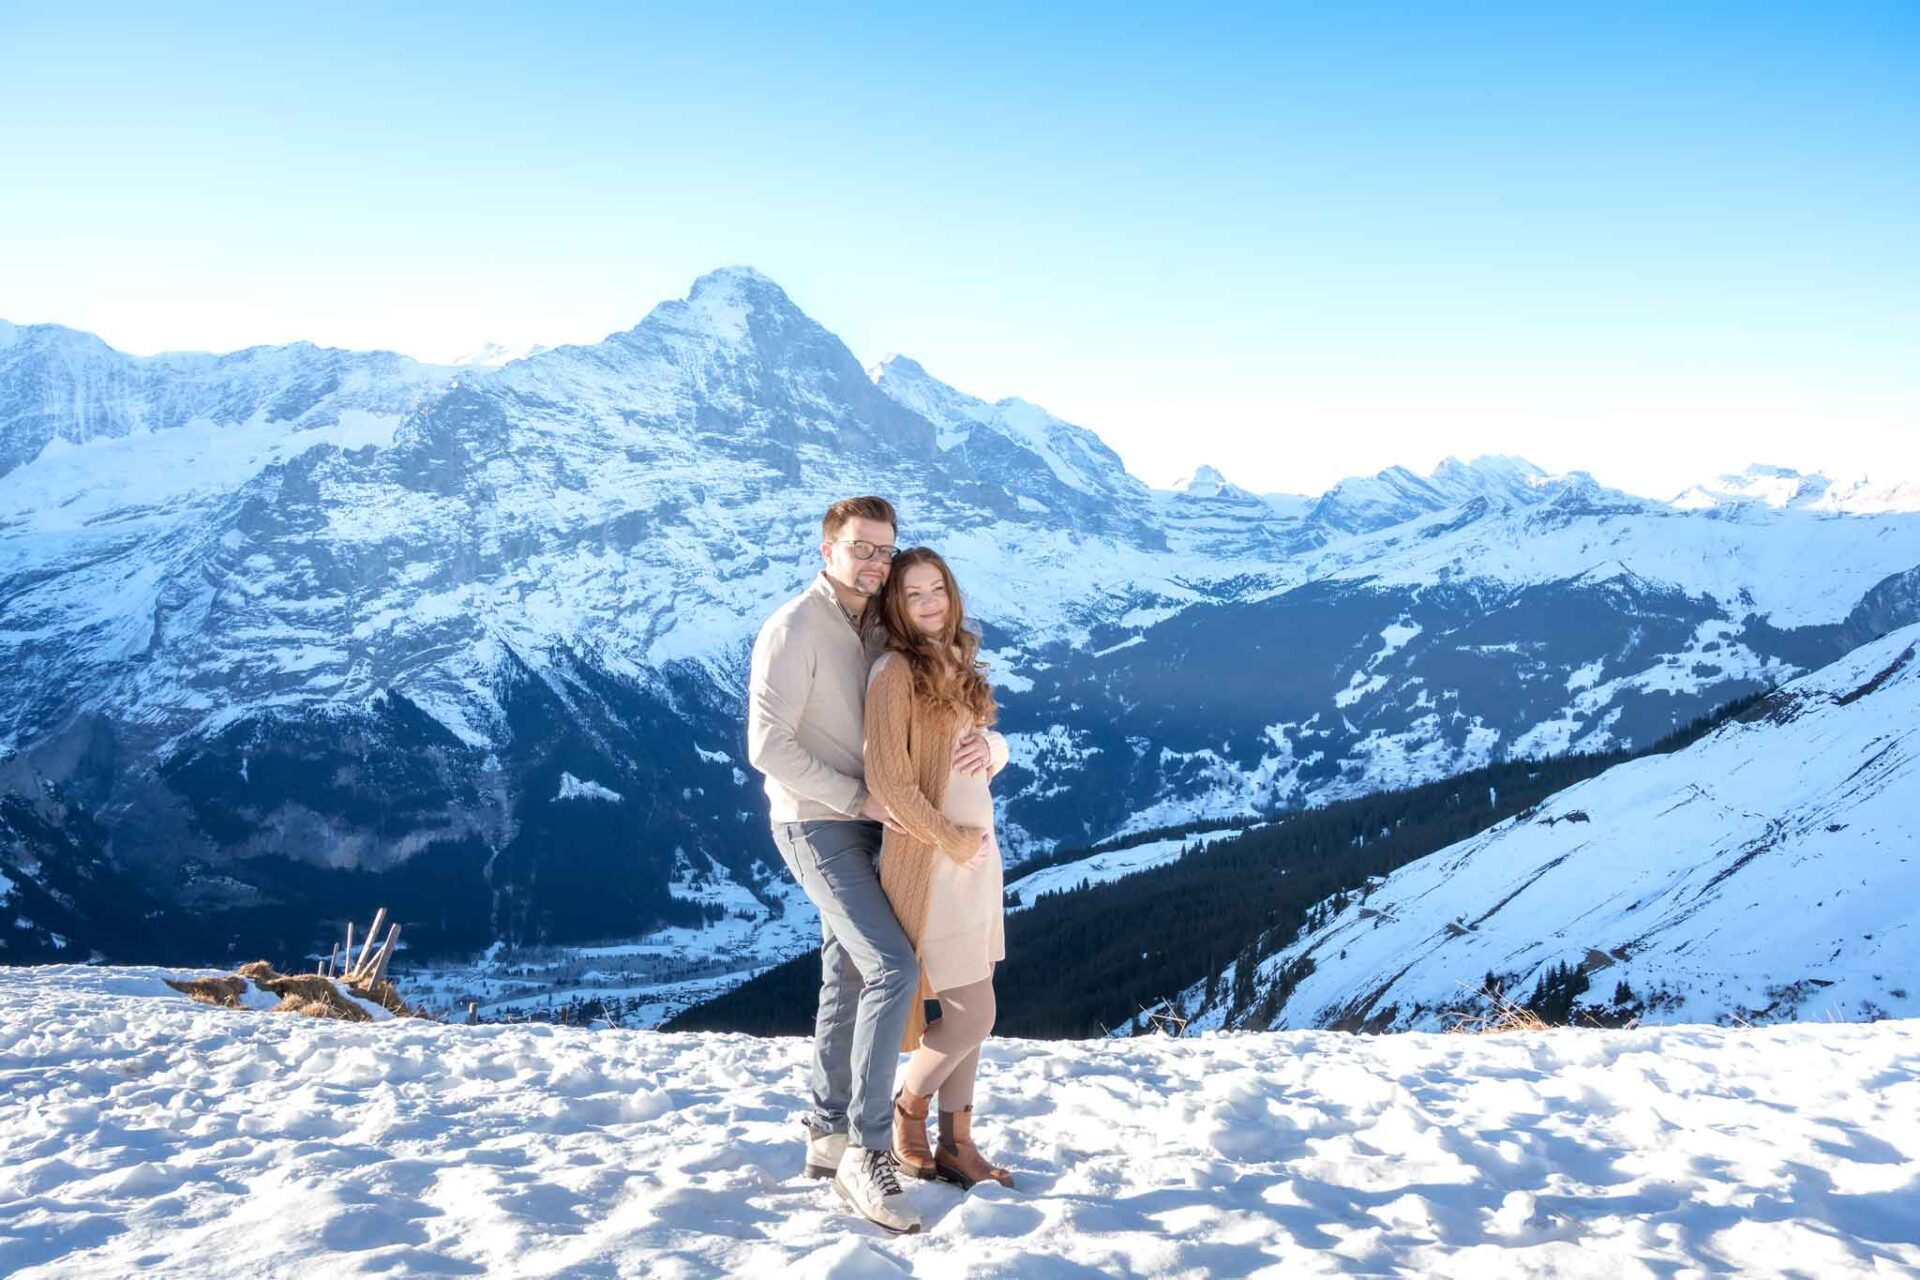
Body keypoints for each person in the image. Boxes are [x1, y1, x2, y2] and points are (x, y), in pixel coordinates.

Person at [745, 498, 992, 1234]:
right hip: (815, 821)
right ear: (828, 550)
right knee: (890, 966)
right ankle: (868, 1149)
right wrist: (859, 799)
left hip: (874, 824)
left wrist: (992, 748)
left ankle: (827, 1132)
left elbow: (946, 714)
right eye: (861, 548)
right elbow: (767, 745)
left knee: (847, 972)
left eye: (885, 550)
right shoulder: (793, 628)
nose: (876, 562)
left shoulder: (881, 627)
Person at [861, 547, 1016, 1191]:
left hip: (976, 862)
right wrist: (951, 840)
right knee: (971, 1014)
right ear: (896, 606)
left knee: (971, 1012)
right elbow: (889, 782)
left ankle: (958, 1145)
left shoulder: (955, 662)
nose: (929, 603)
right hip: (933, 865)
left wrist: (996, 747)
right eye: (914, 594)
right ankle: (907, 1111)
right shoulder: (893, 671)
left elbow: (972, 748)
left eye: (938, 590)